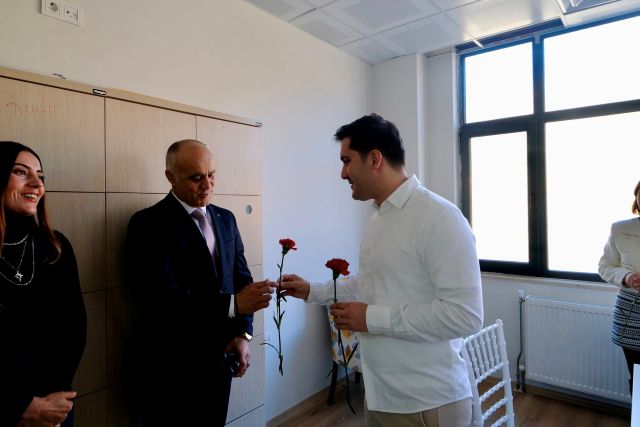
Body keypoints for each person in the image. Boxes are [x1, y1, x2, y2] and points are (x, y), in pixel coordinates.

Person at [281, 114, 484, 427]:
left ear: (374, 159)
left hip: (427, 404)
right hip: (382, 398)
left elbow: (465, 316)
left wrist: (370, 318)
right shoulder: (379, 218)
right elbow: (372, 283)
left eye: (347, 161)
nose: (342, 173)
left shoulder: (440, 218)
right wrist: (312, 290)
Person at [125, 139, 274, 426]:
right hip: (172, 366)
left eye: (211, 175)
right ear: (171, 177)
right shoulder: (147, 224)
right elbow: (160, 299)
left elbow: (243, 283)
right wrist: (232, 305)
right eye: (196, 177)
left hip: (222, 361)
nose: (207, 185)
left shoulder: (226, 219)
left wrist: (243, 336)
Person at [0, 141, 87, 427]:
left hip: (54, 407)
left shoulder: (55, 247)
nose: (37, 184)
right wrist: (20, 406)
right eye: (21, 172)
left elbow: (75, 329)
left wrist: (52, 402)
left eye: (40, 176)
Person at [598, 180, 640, 393]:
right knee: (638, 376)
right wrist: (626, 276)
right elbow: (605, 266)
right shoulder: (620, 228)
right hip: (630, 313)